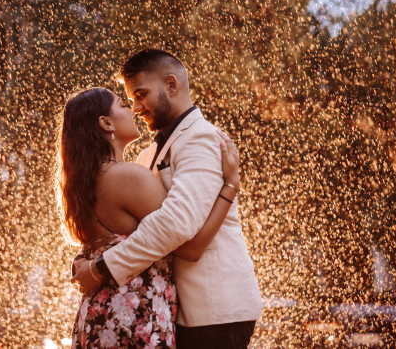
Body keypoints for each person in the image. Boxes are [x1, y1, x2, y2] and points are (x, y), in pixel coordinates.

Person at [72, 49, 262, 349]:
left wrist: (101, 268)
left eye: (141, 94)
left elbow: (177, 226)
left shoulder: (201, 137)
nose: (136, 107)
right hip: (176, 313)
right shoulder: (147, 155)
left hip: (213, 308)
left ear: (171, 86)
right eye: (130, 99)